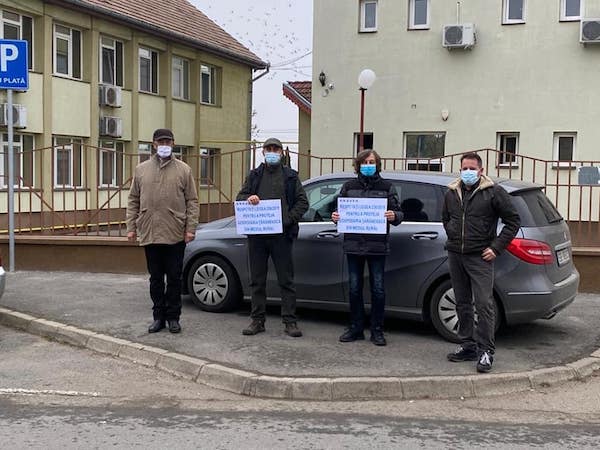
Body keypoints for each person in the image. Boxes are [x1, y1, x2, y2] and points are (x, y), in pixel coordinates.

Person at [443, 152, 520, 372]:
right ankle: (467, 345)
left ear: (481, 170)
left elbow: (513, 221)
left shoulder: (494, 193)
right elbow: (446, 218)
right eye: (464, 168)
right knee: (462, 302)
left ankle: (486, 351)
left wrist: (496, 248)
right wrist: (452, 234)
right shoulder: (451, 192)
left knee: (484, 304)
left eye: (472, 168)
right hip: (456, 253)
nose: (467, 172)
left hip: (480, 256)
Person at [126, 128, 199, 334]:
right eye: (161, 142)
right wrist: (131, 227)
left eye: (168, 141)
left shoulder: (184, 170)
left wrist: (190, 228)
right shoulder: (141, 170)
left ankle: (173, 317)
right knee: (155, 278)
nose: (164, 145)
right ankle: (158, 317)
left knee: (174, 278)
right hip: (150, 231)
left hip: (175, 232)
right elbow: (133, 200)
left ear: (173, 144)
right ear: (154, 144)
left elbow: (192, 201)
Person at [236, 137, 309, 337]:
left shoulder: (291, 176)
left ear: (281, 152)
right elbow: (240, 197)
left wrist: (287, 220)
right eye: (268, 148)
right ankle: (257, 320)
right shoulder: (254, 175)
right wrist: (248, 198)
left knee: (286, 280)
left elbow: (303, 203)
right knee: (257, 280)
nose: (272, 151)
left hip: (282, 236)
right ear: (263, 152)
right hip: (258, 236)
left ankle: (290, 322)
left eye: (275, 149)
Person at [331, 150, 402, 346]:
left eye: (372, 161)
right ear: (358, 165)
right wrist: (335, 216)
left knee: (378, 289)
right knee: (354, 289)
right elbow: (338, 210)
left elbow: (399, 213)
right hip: (353, 245)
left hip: (377, 246)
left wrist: (394, 216)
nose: (368, 164)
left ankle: (377, 330)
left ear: (377, 164)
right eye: (364, 162)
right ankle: (356, 328)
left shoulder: (387, 187)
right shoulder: (349, 186)